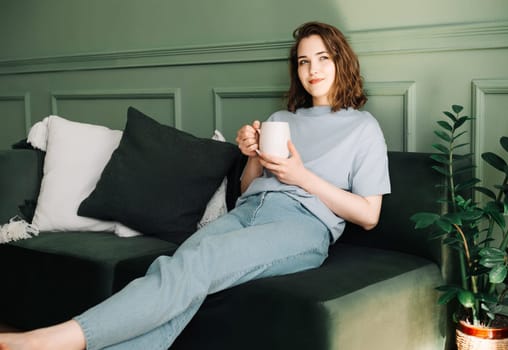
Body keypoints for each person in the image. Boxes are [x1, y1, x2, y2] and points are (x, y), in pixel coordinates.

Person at [0, 21, 390, 350]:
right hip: (250, 210)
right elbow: (247, 185)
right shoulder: (282, 117)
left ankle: (49, 340)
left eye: (323, 57)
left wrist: (301, 177)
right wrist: (252, 153)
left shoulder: (363, 128)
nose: (313, 69)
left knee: (197, 265)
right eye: (304, 61)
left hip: (303, 224)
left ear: (342, 60)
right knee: (177, 269)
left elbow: (369, 216)